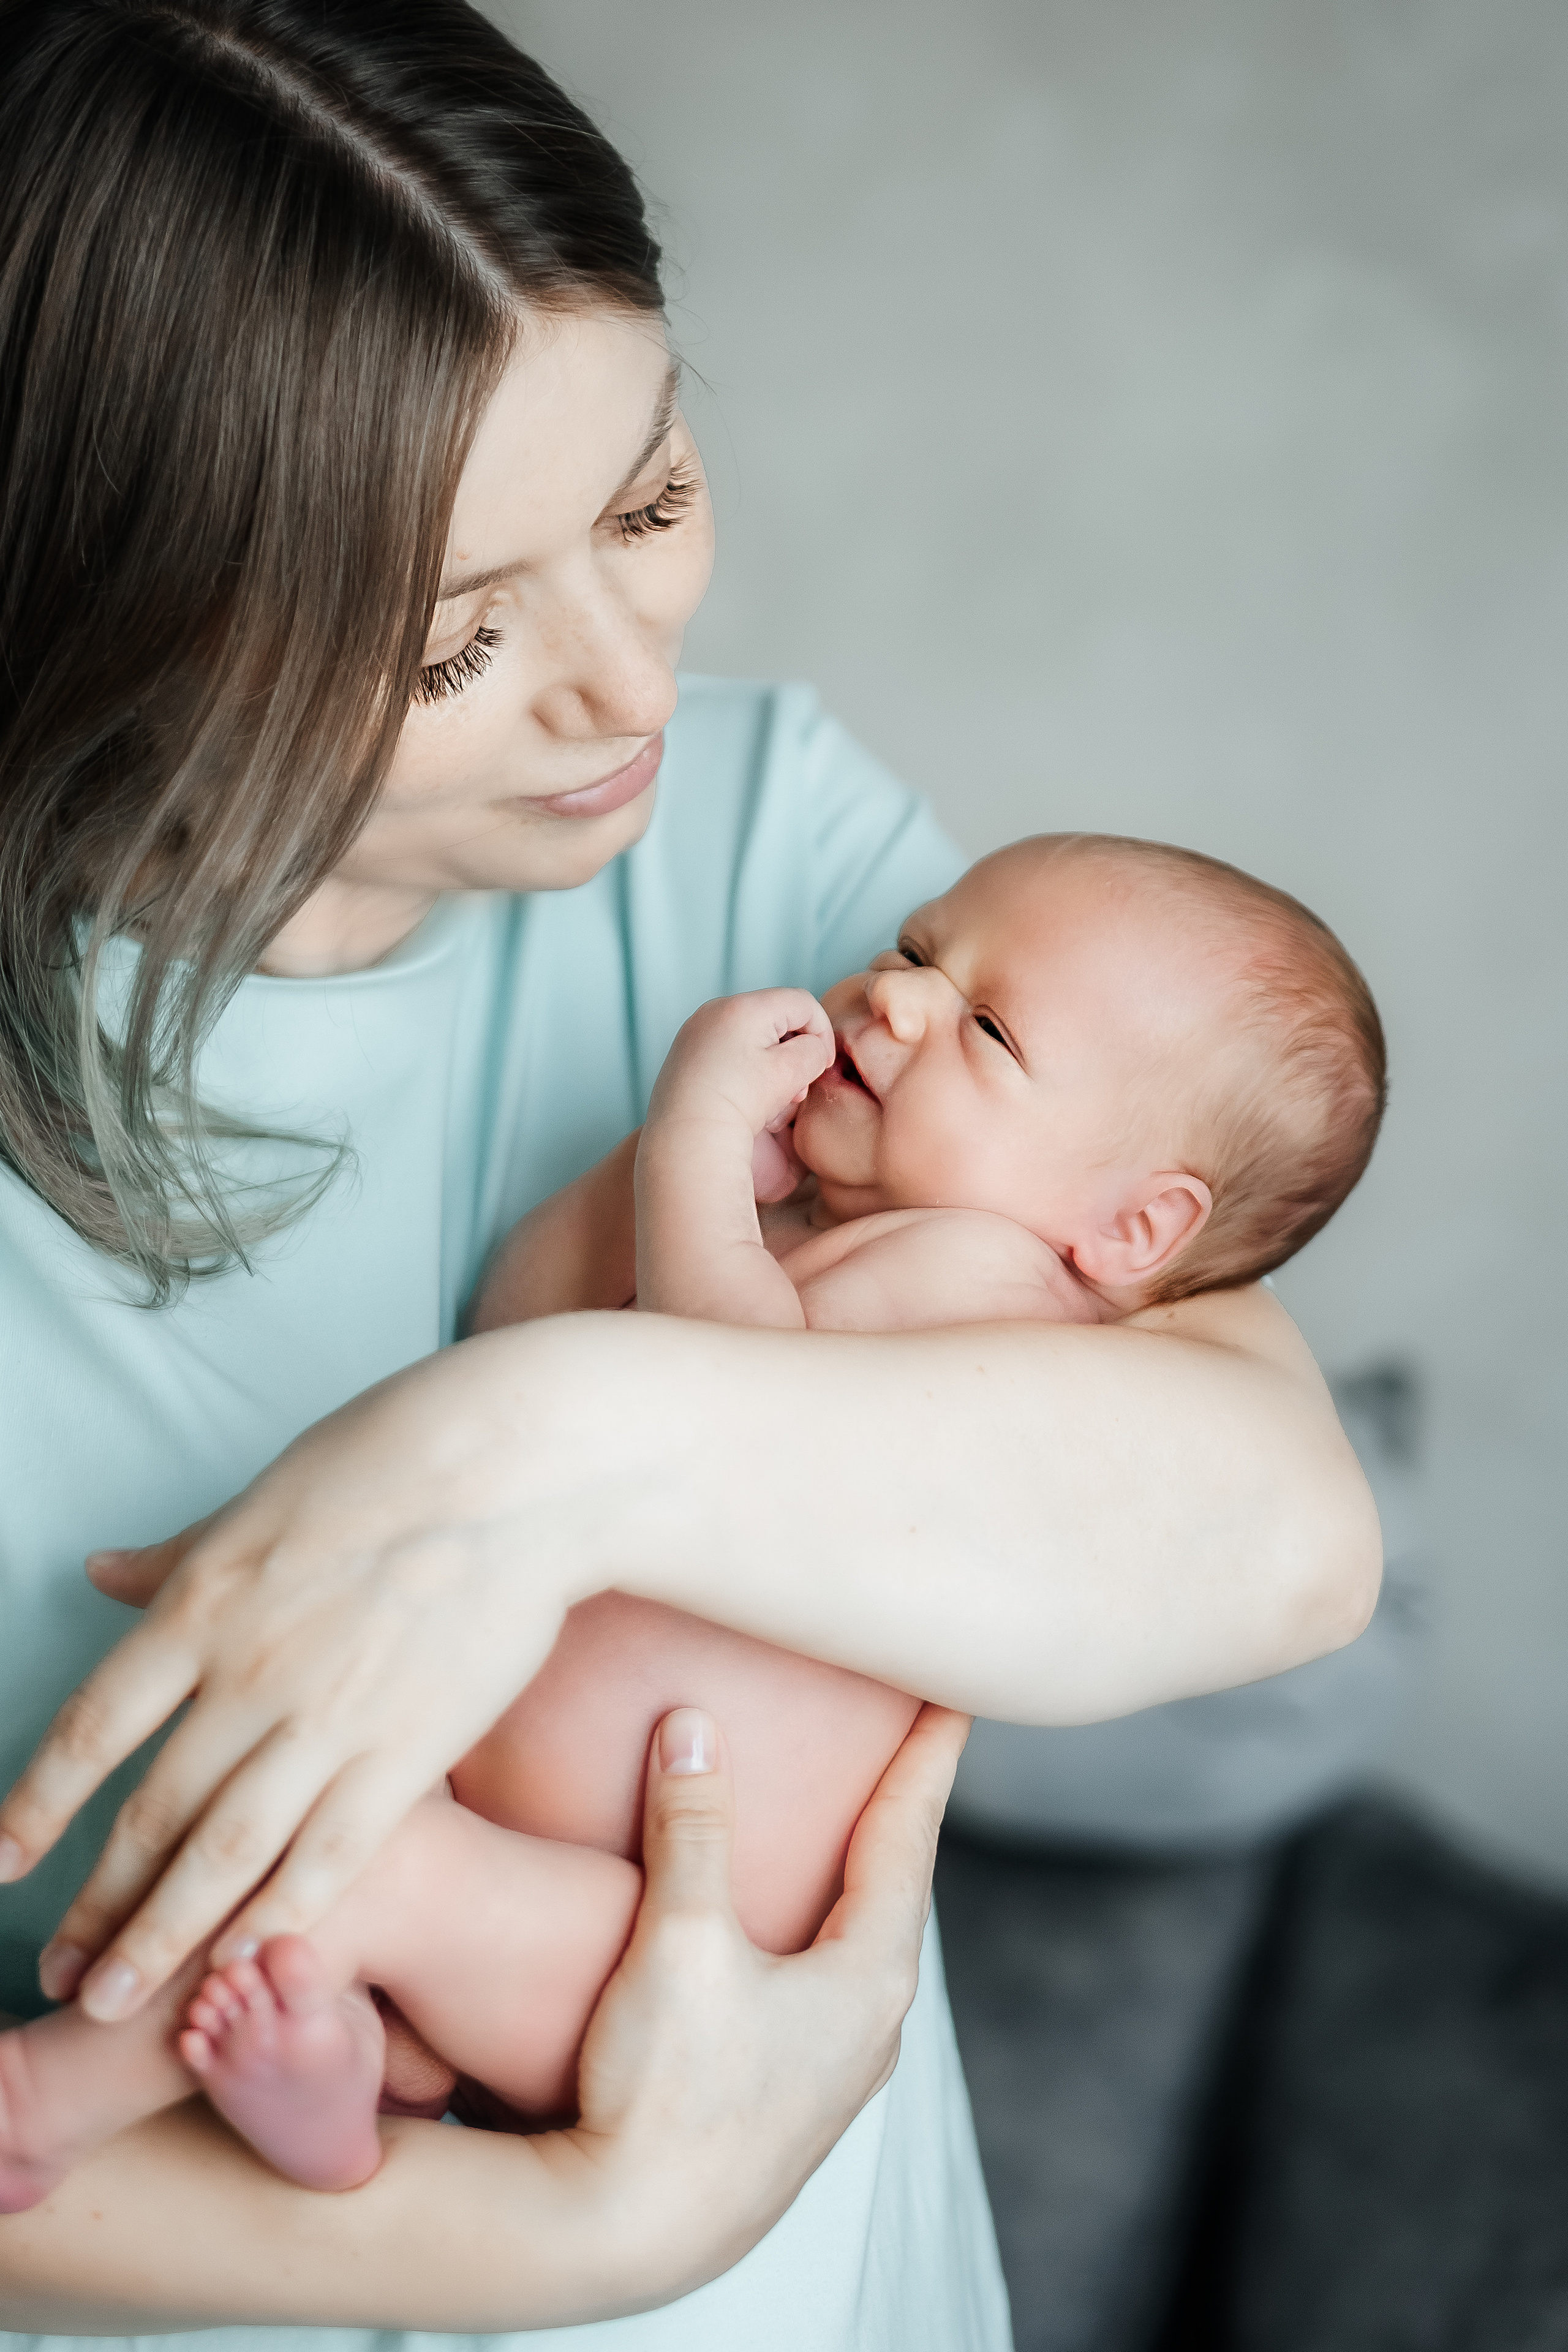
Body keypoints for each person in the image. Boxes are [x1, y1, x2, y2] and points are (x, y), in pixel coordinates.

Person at [0, 4, 1379, 2346]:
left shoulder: (778, 857)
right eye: (456, 637)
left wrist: (517, 1446)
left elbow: (1276, 1531)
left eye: (646, 505)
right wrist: (583, 2239)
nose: (628, 685)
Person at [0, 831, 1386, 2211]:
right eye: (913, 949)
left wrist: (697, 1139)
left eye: (989, 1030)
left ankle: (49, 2103)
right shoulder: (829, 1237)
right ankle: (338, 2079)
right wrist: (673, 1183)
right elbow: (520, 1333)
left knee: (357, 1859)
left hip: (644, 1950)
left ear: (1134, 1227)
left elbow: (724, 1389)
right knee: (325, 1861)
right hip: (526, 1874)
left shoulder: (989, 1285)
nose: (893, 997)